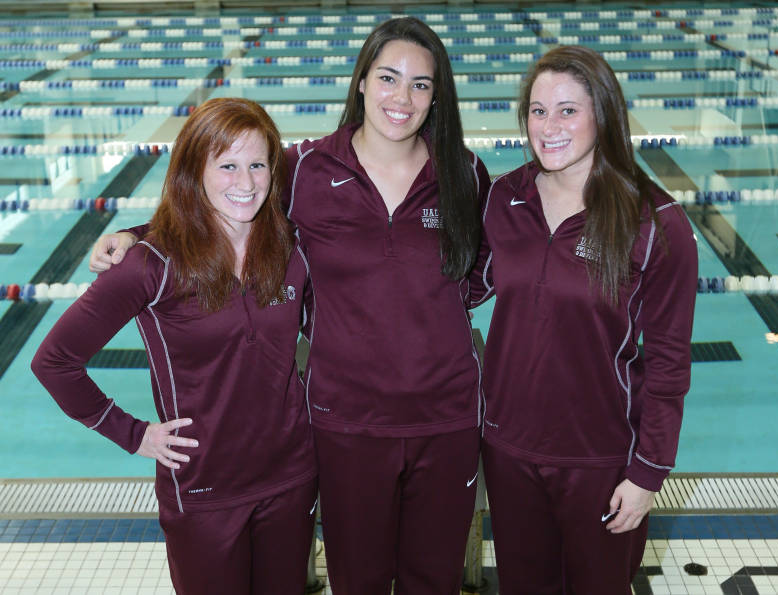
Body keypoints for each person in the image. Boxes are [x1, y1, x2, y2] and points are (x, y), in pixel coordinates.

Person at [89, 17, 490, 595]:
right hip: (345, 422)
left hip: (448, 419)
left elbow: (481, 271)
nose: (402, 98)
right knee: (358, 579)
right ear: (360, 82)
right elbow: (227, 203)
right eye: (388, 77)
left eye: (421, 84)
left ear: (437, 95)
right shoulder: (306, 169)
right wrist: (137, 233)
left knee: (435, 580)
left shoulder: (463, 174)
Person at [33, 98, 317, 595]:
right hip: (204, 490)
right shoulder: (150, 265)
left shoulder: (291, 247)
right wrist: (133, 434)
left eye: (257, 164)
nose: (246, 182)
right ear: (194, 171)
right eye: (227, 166)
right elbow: (54, 362)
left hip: (291, 477)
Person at [470, 46, 698, 594]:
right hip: (509, 449)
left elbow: (668, 364)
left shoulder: (656, 222)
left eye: (568, 110)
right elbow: (462, 287)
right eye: (538, 110)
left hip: (600, 459)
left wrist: (648, 472)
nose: (548, 127)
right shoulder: (506, 197)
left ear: (604, 114)